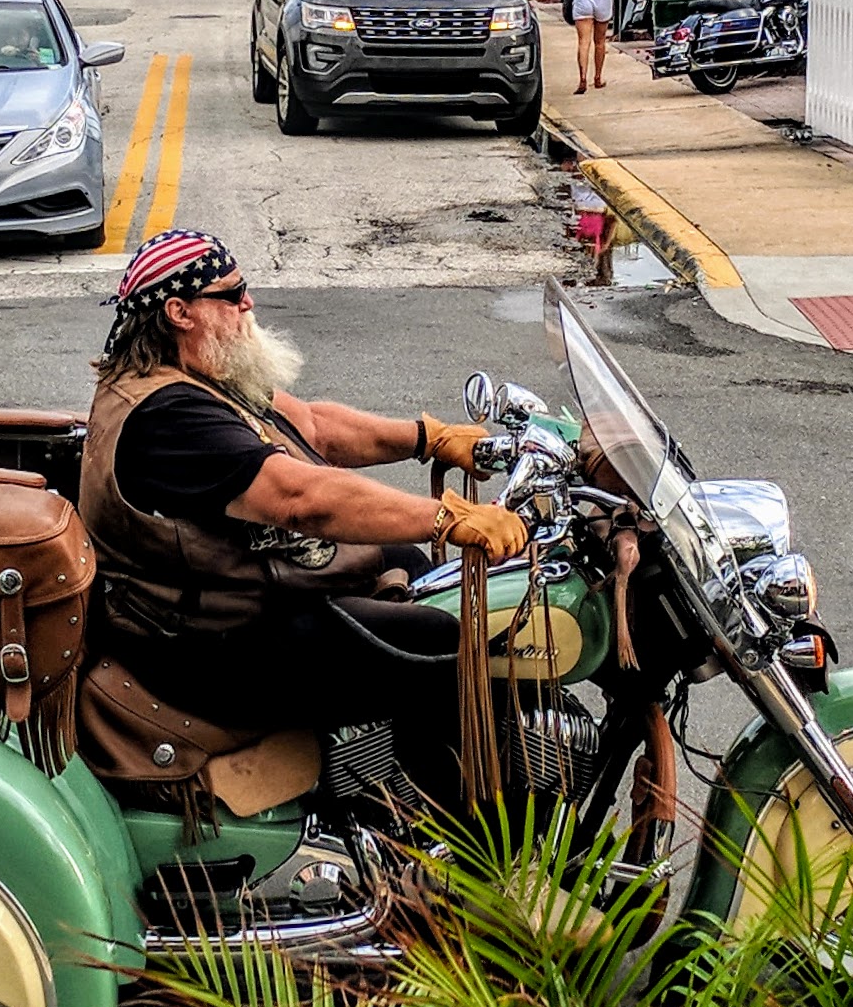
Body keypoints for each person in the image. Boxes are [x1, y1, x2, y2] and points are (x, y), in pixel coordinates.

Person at [79, 228, 528, 807]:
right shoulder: (169, 415)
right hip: (206, 644)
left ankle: (382, 781)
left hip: (226, 595)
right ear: (179, 311)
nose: (249, 303)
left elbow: (313, 427)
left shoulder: (195, 375)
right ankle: (461, 850)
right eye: (232, 292)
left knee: (408, 565)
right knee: (446, 643)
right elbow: (300, 499)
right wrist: (445, 518)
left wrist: (431, 438)